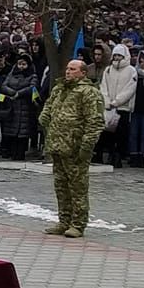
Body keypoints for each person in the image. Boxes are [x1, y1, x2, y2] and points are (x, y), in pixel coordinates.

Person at [39, 59, 101, 240]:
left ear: (82, 73)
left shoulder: (89, 93)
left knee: (77, 188)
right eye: (67, 68)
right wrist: (45, 120)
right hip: (57, 146)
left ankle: (78, 224)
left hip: (75, 148)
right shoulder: (59, 89)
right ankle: (63, 221)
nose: (68, 72)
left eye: (72, 69)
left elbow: (95, 122)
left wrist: (86, 146)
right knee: (61, 186)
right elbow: (48, 108)